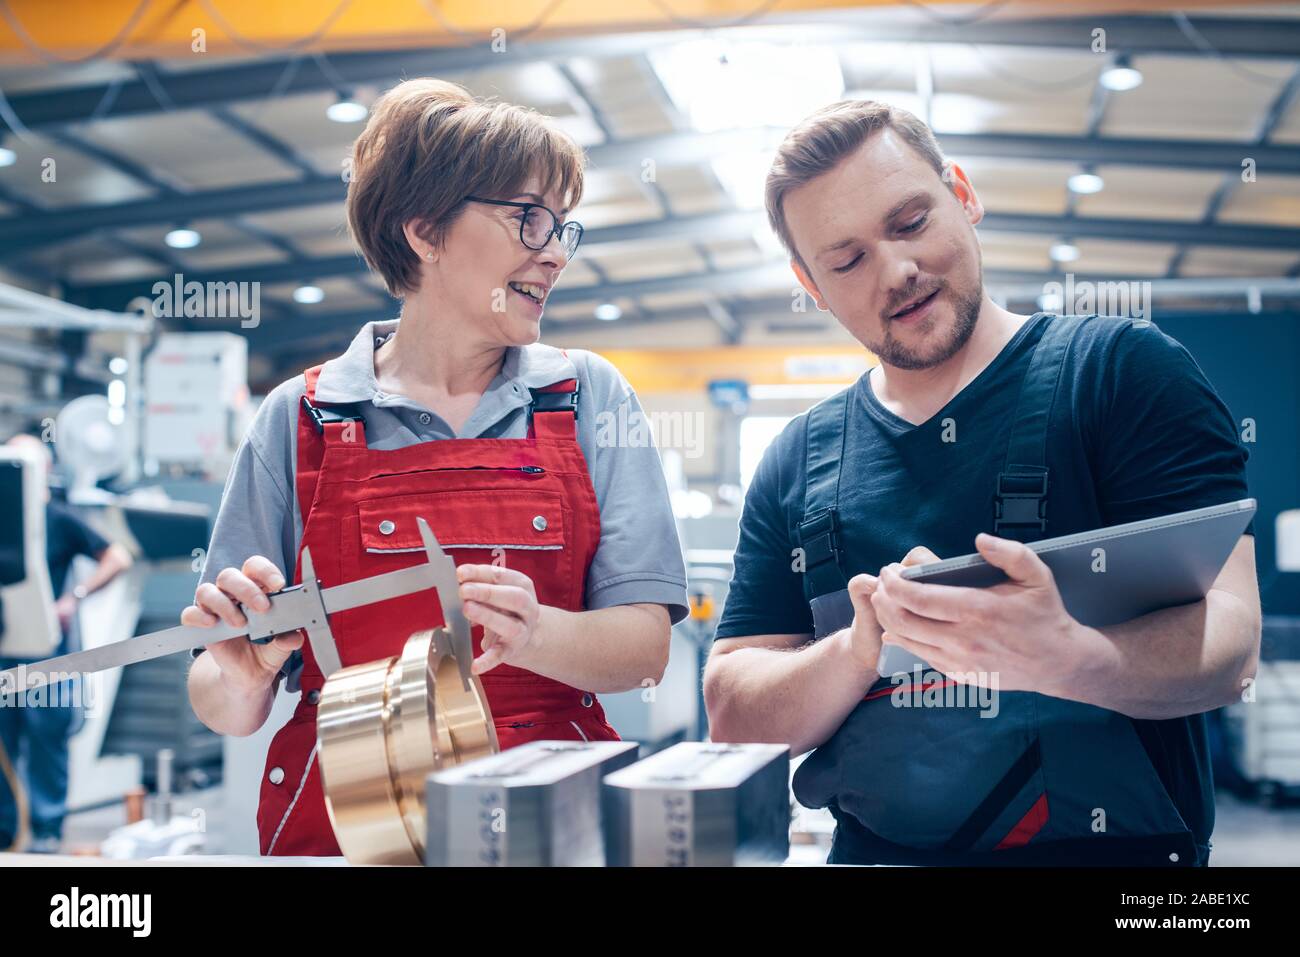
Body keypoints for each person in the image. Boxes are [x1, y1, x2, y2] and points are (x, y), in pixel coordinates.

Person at [704, 100, 1261, 867]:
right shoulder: (797, 460)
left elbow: (1232, 641)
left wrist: (1064, 654)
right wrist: (860, 648)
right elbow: (733, 711)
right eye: (847, 260)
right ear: (810, 283)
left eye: (909, 222)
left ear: (961, 193)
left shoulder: (1124, 376)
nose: (896, 271)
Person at [183, 79, 689, 856]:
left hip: (547, 823)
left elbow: (644, 649)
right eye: (529, 219)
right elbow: (218, 696)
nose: (554, 253)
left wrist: (538, 632)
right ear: (425, 231)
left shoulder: (586, 396)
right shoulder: (299, 417)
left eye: (562, 228)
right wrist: (243, 676)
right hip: (349, 823)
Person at [0, 433, 133, 852]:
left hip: (49, 652)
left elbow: (118, 556)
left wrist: (72, 599)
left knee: (46, 738)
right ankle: (7, 830)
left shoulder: (57, 519)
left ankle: (46, 830)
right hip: (5, 650)